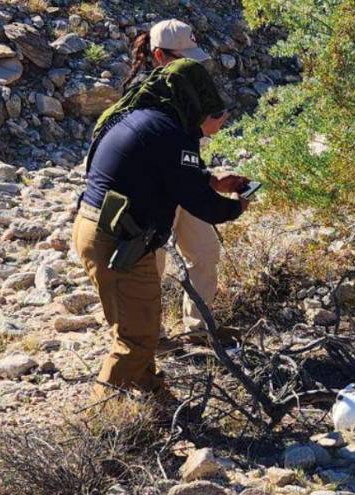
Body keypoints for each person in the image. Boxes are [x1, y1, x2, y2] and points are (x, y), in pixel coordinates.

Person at [72, 58, 250, 404]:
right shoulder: (171, 133)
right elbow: (201, 203)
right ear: (195, 100)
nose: (217, 117)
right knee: (136, 339)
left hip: (96, 229)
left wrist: (213, 181)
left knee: (136, 330)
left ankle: (157, 400)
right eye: (212, 110)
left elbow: (167, 172)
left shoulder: (142, 118)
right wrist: (236, 206)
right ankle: (98, 423)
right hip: (118, 240)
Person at [125, 19, 230, 338]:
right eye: (183, 60)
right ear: (159, 56)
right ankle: (148, 336)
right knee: (150, 262)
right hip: (153, 189)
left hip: (185, 180)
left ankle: (199, 328)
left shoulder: (190, 90)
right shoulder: (142, 97)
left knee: (205, 250)